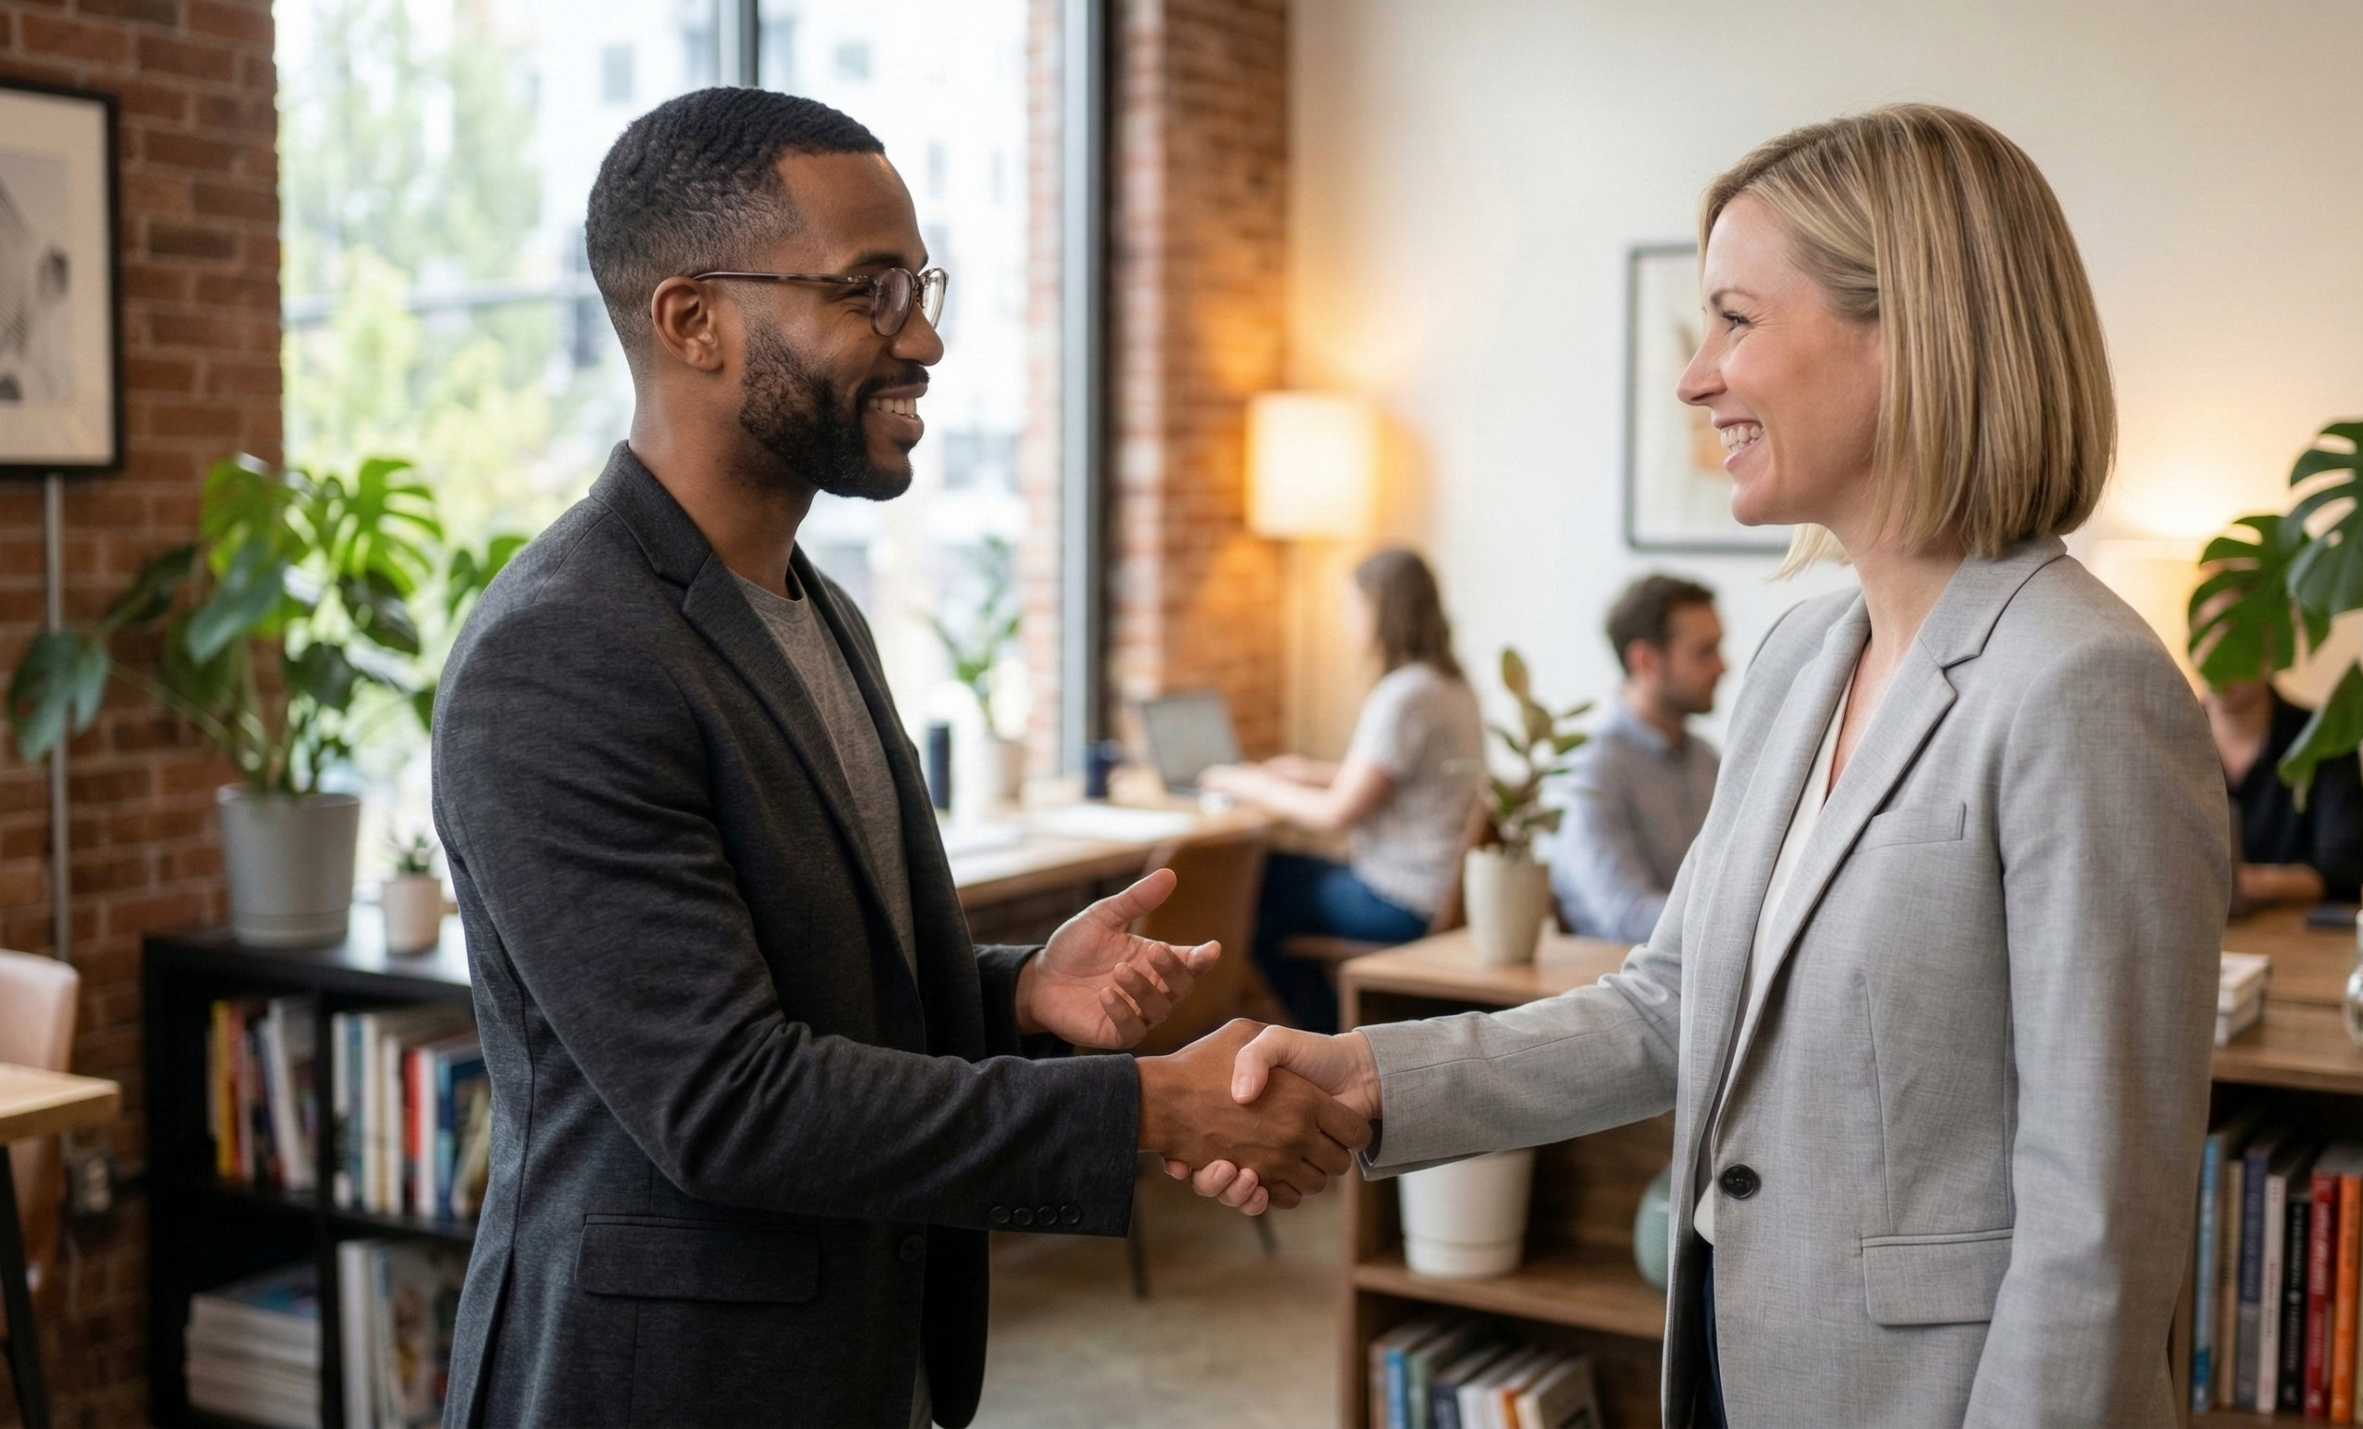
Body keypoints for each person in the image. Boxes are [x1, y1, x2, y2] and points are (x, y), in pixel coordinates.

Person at [1179, 105, 2228, 1428]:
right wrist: (1373, 1079)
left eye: (1735, 319)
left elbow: (2102, 1225)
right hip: (1736, 1362)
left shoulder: (2085, 689)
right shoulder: (1800, 660)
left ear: (1910, 330)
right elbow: (1674, 1006)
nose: (1696, 376)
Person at [429, 89, 1368, 1429]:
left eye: (920, 284)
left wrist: (1021, 995)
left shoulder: (820, 608)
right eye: (869, 290)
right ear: (693, 320)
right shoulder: (560, 655)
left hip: (868, 1357)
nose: (922, 336)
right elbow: (729, 1099)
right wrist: (1147, 1110)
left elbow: (817, 993)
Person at [1199, 549, 1483, 1033]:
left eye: (1353, 608)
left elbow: (1338, 813)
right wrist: (1307, 771)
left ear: (1379, 610)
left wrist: (1257, 786)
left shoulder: (1403, 695)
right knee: (1272, 874)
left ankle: (1327, 1034)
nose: (1348, 622)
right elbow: (1394, 780)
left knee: (1248, 888)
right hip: (1441, 891)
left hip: (1401, 901)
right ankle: (1323, 1027)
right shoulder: (1450, 685)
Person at [1552, 575, 1727, 941]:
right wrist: (1742, 925)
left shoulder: (1707, 761)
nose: (1722, 666)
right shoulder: (1593, 769)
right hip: (1619, 978)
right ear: (1646, 660)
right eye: (1704, 652)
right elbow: (1626, 917)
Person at [2206, 672, 2363, 903]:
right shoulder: (2165, 738)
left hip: (2300, 933)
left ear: (2270, 647)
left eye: (2231, 643)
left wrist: (2240, 883)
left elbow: (2349, 871)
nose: (2211, 658)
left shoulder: (2326, 738)